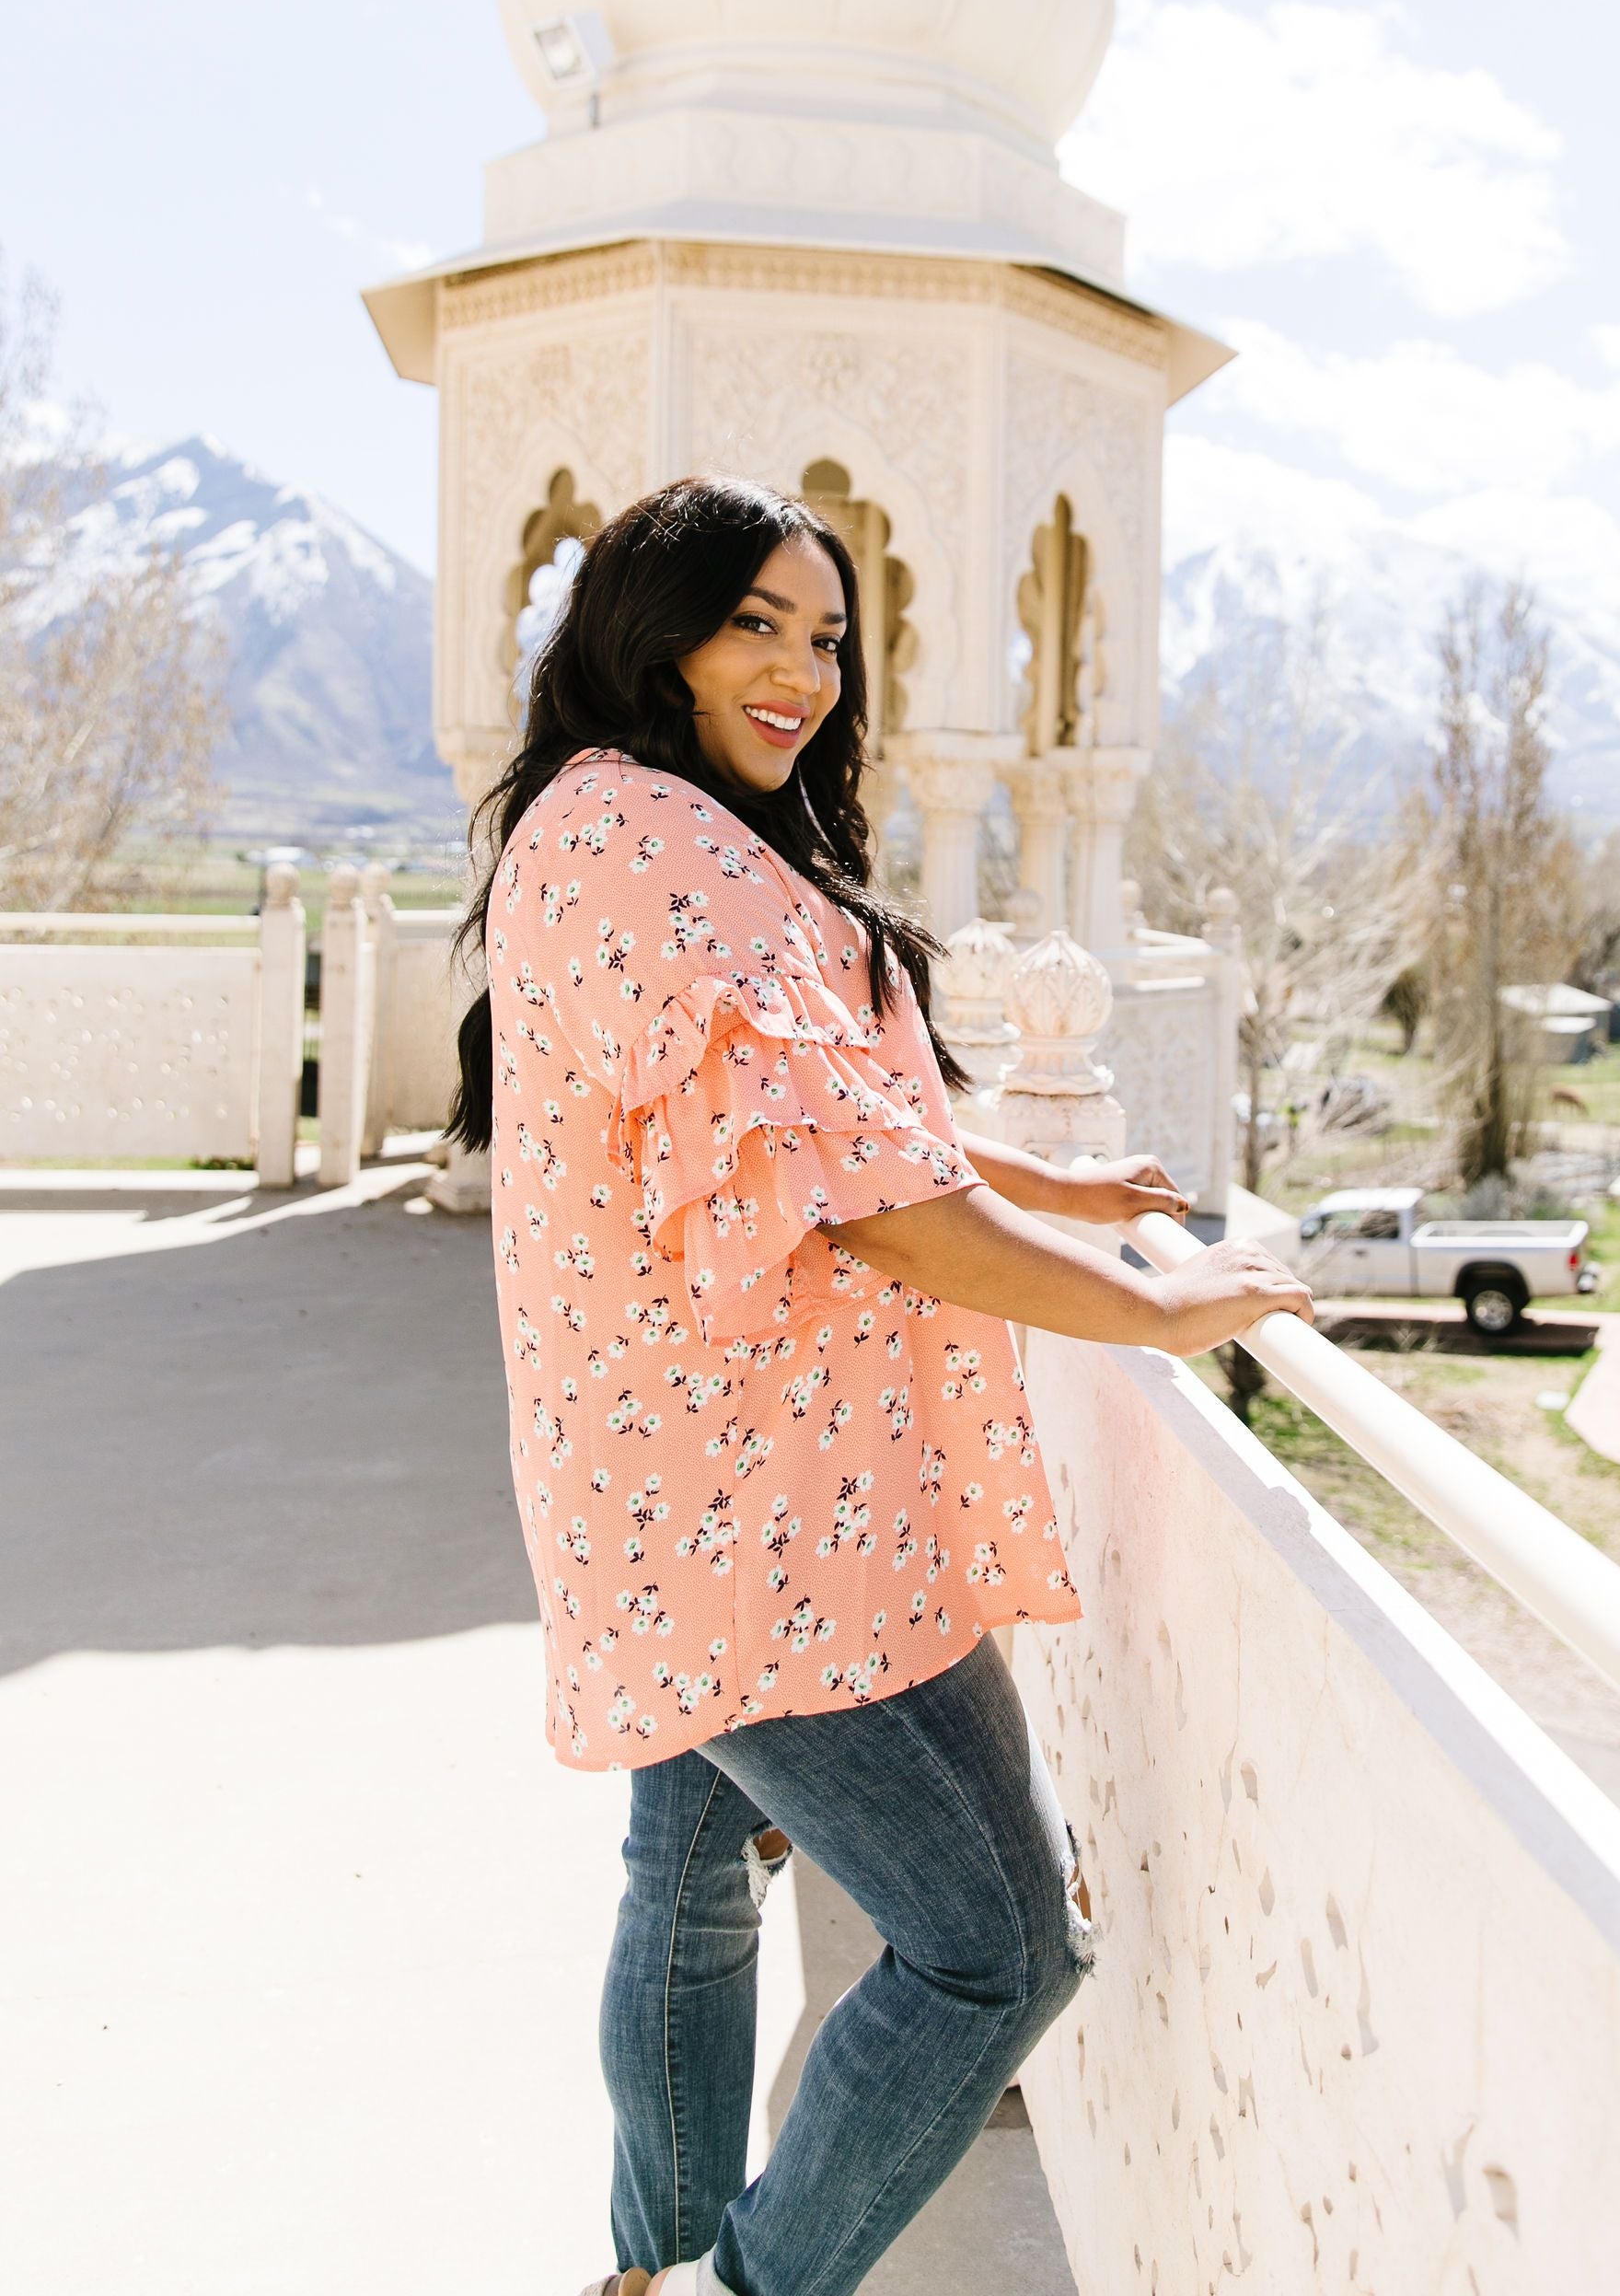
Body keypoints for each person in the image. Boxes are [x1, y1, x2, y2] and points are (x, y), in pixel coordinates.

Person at [447, 474, 1313, 2296]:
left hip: (690, 1484)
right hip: (761, 1515)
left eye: (827, 636)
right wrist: (1147, 1312)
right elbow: (865, 1208)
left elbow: (798, 1123)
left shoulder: (622, 823)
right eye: (753, 624)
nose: (800, 672)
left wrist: (1040, 1182)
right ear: (645, 628)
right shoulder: (648, 846)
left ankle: (644, 2268)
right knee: (997, 1947)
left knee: (684, 1881)